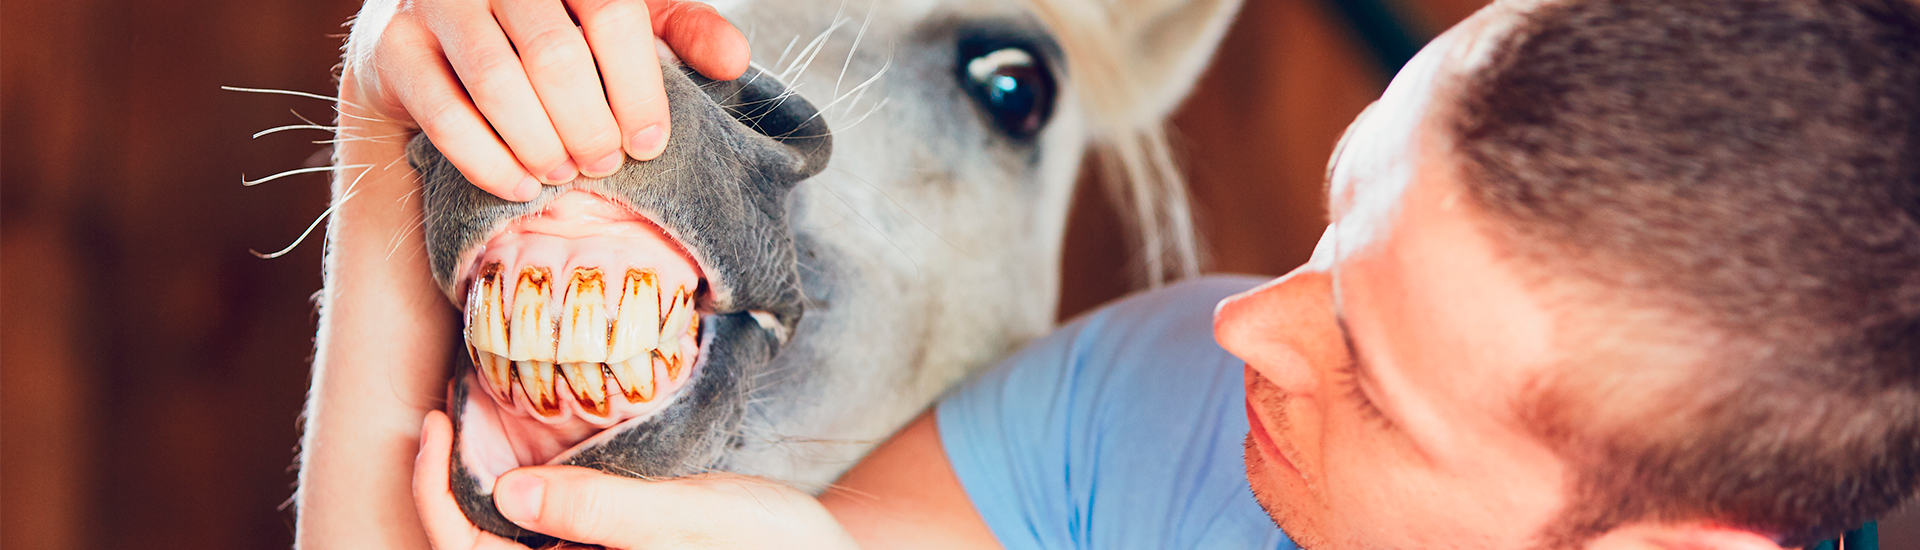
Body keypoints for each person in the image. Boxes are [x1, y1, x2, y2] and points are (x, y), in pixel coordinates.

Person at [308, 0, 1920, 548]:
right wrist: (410, 101)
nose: (1240, 321)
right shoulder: (1153, 403)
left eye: (1375, 369)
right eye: (1331, 231)